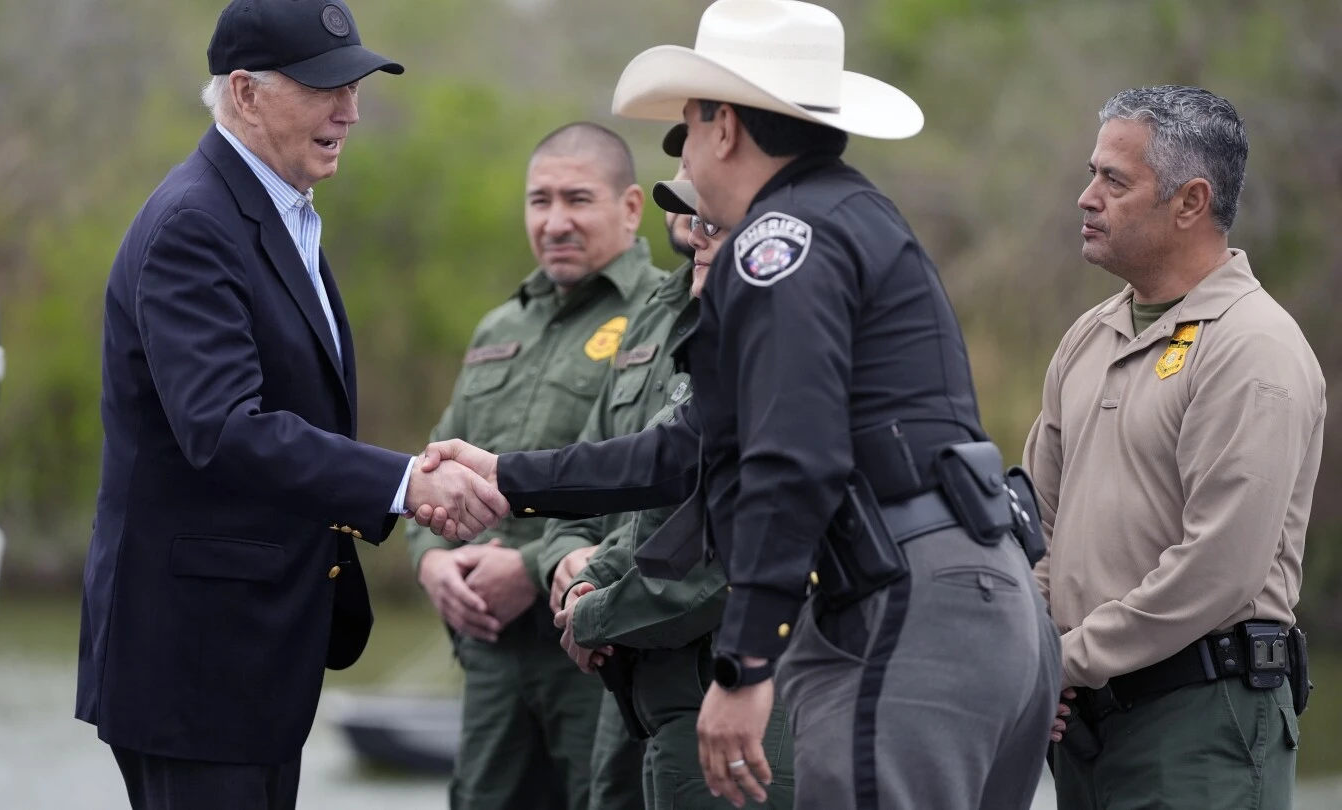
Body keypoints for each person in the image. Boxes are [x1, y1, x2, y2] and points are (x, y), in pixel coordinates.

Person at [410, 2, 1061, 809]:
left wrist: (746, 665)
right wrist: (508, 477)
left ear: (723, 128)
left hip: (903, 609)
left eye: (688, 125)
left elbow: (791, 462)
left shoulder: (775, 243)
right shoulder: (851, 216)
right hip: (982, 603)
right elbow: (691, 448)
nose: (683, 154)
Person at [75, 1, 508, 807]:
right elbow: (223, 430)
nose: (349, 111)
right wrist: (406, 482)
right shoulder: (194, 224)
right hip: (195, 671)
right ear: (244, 92)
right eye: (323, 87)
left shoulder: (275, 213)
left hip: (249, 665)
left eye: (355, 87)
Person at [1024, 85, 1325, 810]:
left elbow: (1217, 569)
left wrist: (1062, 661)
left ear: (1191, 202)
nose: (1086, 198)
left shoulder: (1254, 347)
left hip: (1201, 726)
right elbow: (1035, 524)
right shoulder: (1089, 336)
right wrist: (1029, 655)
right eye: (1092, 174)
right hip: (1082, 722)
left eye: (1114, 180)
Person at [406, 122, 666, 810]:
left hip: (597, 649)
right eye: (539, 200)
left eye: (577, 199)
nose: (554, 222)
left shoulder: (666, 318)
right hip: (491, 656)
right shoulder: (500, 327)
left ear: (630, 207)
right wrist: (431, 562)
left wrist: (528, 569)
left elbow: (668, 485)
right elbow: (436, 456)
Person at [547, 133, 797, 810]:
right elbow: (634, 484)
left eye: (711, 210)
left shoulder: (784, 342)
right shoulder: (662, 320)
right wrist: (578, 568)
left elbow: (722, 545)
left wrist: (594, 612)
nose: (693, 216)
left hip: (742, 690)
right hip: (646, 685)